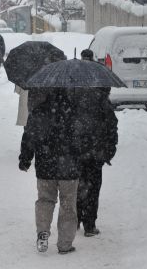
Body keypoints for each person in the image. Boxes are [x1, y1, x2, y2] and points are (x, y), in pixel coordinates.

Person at [19, 88, 82, 255]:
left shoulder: (39, 112)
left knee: (45, 200)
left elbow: (28, 137)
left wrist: (25, 159)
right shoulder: (74, 112)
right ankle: (65, 244)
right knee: (68, 205)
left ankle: (42, 232)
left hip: (45, 166)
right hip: (69, 168)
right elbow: (82, 139)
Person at [75, 49, 118, 237]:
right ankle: (90, 225)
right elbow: (111, 128)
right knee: (93, 188)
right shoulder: (102, 100)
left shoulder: (72, 99)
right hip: (96, 152)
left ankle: (74, 219)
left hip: (75, 151)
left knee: (76, 185)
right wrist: (109, 150)